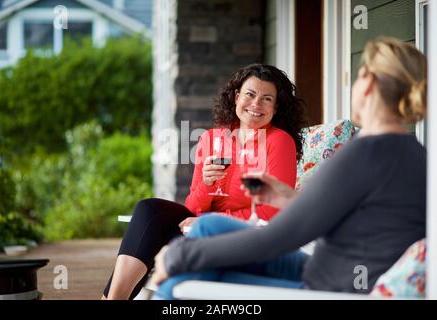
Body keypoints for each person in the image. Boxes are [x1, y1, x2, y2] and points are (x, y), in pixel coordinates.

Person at [152, 37, 427, 298]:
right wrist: (288, 198)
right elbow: (357, 217)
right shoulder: (413, 153)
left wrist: (176, 255)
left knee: (182, 277)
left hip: (323, 288)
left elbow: (277, 239)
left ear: (367, 83)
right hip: (330, 271)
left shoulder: (366, 151)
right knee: (209, 226)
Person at [102, 64, 307, 299]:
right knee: (149, 209)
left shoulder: (279, 141)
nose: (256, 104)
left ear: (276, 108)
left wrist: (213, 220)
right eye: (250, 94)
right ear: (237, 97)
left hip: (240, 237)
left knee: (156, 235)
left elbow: (274, 210)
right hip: (199, 230)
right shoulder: (212, 138)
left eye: (266, 98)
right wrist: (207, 186)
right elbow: (193, 208)